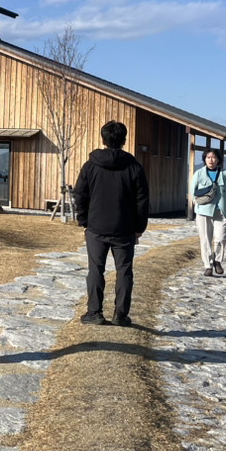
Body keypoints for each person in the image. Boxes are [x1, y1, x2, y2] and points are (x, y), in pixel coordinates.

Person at [73, 120, 150, 326]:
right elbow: (142, 200)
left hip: (96, 227)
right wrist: (139, 227)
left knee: (95, 270)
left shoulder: (91, 166)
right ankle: (121, 315)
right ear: (124, 140)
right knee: (124, 271)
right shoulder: (134, 167)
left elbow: (80, 194)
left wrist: (83, 219)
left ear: (103, 139)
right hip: (124, 229)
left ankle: (95, 312)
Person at [192, 148, 226, 276]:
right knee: (205, 239)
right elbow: (193, 190)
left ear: (218, 160)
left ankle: (217, 260)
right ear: (204, 159)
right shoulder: (199, 173)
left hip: (221, 211)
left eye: (214, 157)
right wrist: (194, 201)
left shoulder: (224, 173)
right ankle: (208, 265)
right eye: (208, 157)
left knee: (221, 237)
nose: (211, 160)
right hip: (203, 210)